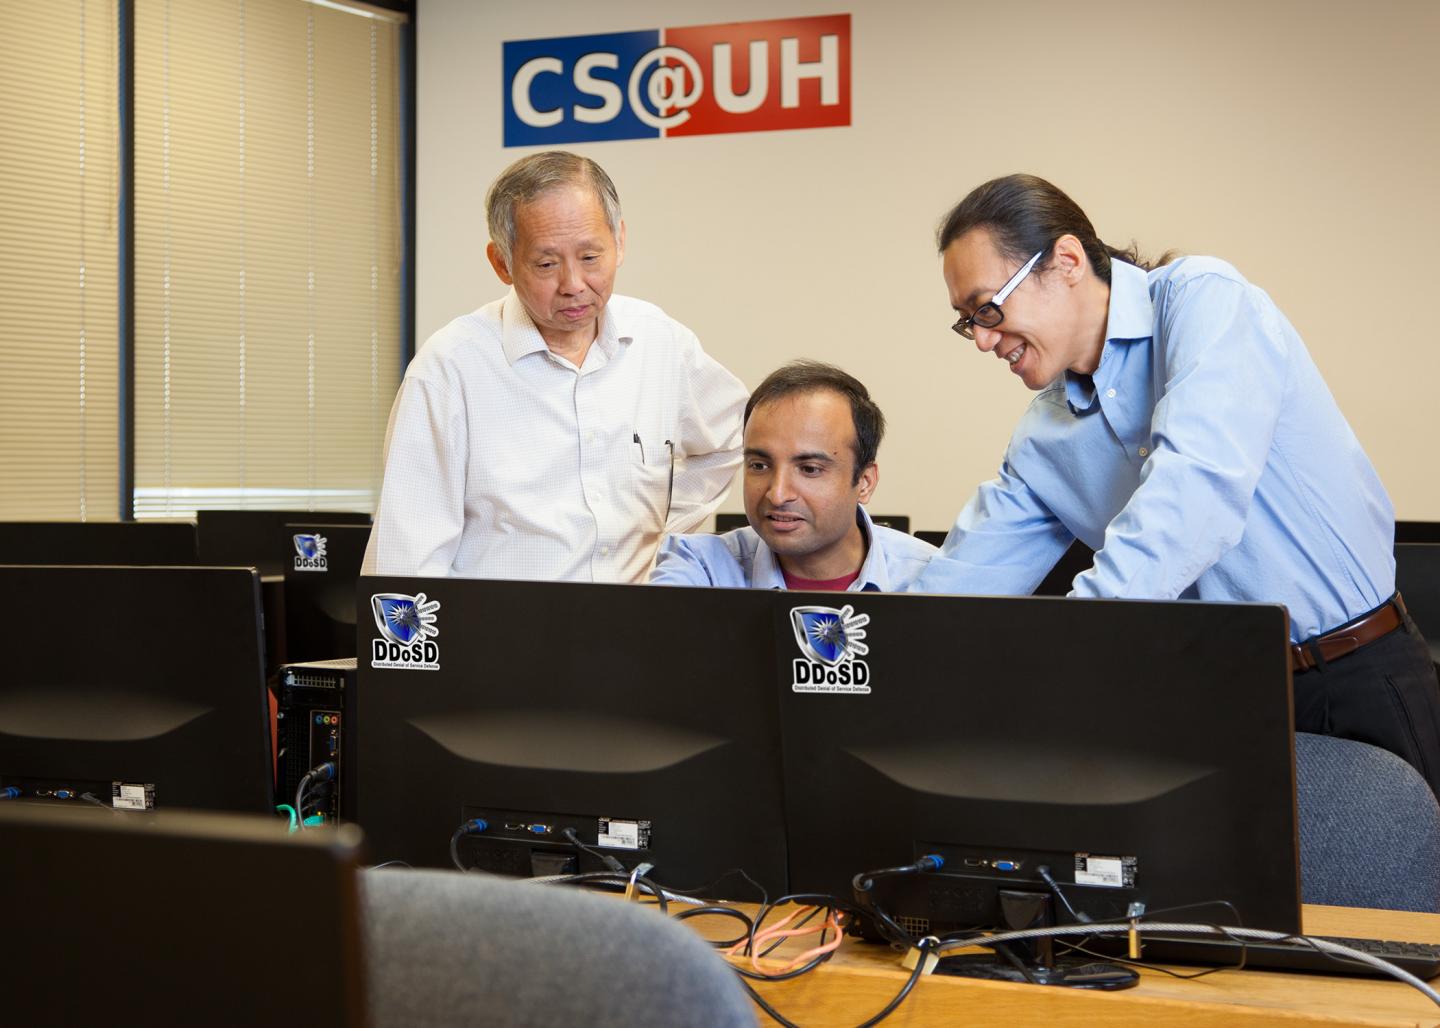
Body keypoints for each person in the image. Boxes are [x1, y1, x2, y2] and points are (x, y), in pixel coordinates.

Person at [911, 173, 1440, 795]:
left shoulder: (1206, 301)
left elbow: (1193, 497)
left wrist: (1065, 656)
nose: (980, 338)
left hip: (1357, 676)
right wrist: (866, 653)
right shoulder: (1043, 438)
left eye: (988, 308)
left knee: (1401, 887)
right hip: (1223, 707)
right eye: (965, 321)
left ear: (1067, 261)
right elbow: (955, 589)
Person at [363, 151, 747, 583]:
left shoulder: (660, 342)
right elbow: (405, 562)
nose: (574, 285)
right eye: (546, 264)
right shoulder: (449, 369)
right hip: (504, 640)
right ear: (502, 263)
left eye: (590, 257)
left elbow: (735, 436)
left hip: (635, 633)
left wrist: (668, 543)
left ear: (619, 241)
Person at [651, 361, 936, 591]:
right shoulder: (701, 568)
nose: (777, 494)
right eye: (759, 465)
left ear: (865, 481)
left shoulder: (931, 578)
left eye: (810, 469)